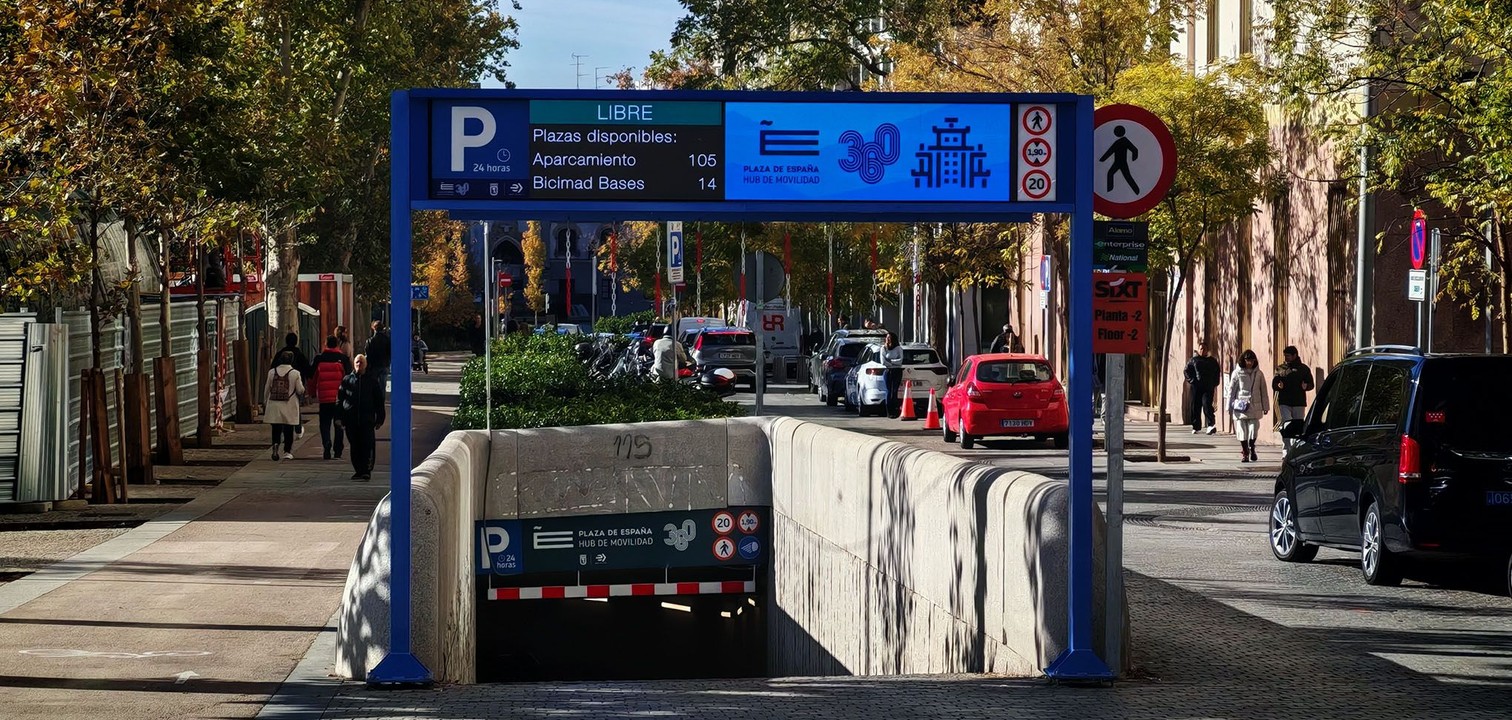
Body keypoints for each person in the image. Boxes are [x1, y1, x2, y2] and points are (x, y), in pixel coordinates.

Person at [338, 353, 385, 481]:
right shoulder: (347, 380)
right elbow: (340, 399)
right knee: (355, 445)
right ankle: (358, 470)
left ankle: (366, 470)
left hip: (367, 420)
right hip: (351, 420)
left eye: (361, 362)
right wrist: (339, 417)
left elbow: (379, 401)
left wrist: (380, 418)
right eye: (357, 362)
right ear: (354, 364)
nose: (359, 364)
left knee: (367, 445)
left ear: (366, 364)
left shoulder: (372, 381)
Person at [310, 336, 352, 461]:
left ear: (326, 344)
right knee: (338, 423)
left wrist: (312, 393)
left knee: (324, 423)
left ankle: (326, 444)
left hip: (324, 398)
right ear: (337, 345)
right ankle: (338, 450)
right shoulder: (343, 359)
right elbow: (349, 378)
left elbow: (312, 377)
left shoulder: (319, 358)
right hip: (339, 398)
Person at [1228, 349, 1270, 463]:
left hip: (1255, 406)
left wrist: (1265, 406)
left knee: (1253, 429)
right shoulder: (1237, 373)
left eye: (1252, 360)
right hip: (1241, 406)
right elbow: (1232, 390)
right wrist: (1229, 406)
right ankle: (1245, 452)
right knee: (1242, 430)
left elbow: (1263, 390)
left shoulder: (1259, 374)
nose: (1250, 363)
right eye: (1248, 360)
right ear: (1244, 360)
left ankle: (1252, 446)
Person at [263, 348, 305, 461]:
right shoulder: (295, 373)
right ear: (292, 360)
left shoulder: (272, 372)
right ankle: (287, 451)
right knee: (288, 429)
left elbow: (267, 389)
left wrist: (265, 401)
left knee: (276, 428)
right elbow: (300, 390)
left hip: (274, 405)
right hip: (289, 405)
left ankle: (275, 445)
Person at [272, 332, 311, 437]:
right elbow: (307, 369)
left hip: (281, 386)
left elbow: (273, 368)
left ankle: (283, 428)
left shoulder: (280, 354)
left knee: (281, 407)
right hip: (296, 385)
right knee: (295, 407)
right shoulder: (300, 354)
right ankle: (297, 429)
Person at [1183, 341, 1222, 435]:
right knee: (1195, 406)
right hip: (1196, 387)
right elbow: (1186, 371)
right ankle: (1196, 426)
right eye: (1201, 349)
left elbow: (1217, 372)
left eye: (1204, 349)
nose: (1202, 350)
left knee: (1207, 405)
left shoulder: (1212, 361)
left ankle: (1210, 425)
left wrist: (1214, 383)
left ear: (1207, 350)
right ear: (1198, 350)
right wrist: (1192, 380)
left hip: (1208, 387)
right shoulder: (1193, 360)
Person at [1272, 345, 1314, 424]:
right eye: (1285, 356)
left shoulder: (1304, 369)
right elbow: (1274, 384)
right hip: (1284, 402)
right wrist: (1278, 386)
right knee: (1287, 423)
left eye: (1288, 356)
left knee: (1298, 424)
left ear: (1294, 355)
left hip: (1299, 402)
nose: (1286, 358)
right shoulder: (1280, 368)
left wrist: (1306, 386)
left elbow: (1311, 384)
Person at [880, 331, 904, 417]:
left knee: (894, 391)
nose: (888, 339)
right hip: (888, 371)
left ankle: (895, 410)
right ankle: (889, 411)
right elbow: (883, 362)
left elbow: (900, 361)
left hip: (897, 371)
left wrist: (890, 361)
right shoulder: (883, 348)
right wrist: (893, 362)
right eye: (887, 338)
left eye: (889, 338)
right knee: (889, 391)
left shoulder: (898, 348)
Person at [365, 320, 392, 387]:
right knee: (382, 385)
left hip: (374, 366)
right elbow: (390, 352)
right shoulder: (387, 340)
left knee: (373, 385)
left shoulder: (370, 341)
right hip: (384, 365)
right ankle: (382, 394)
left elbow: (367, 354)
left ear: (374, 328)